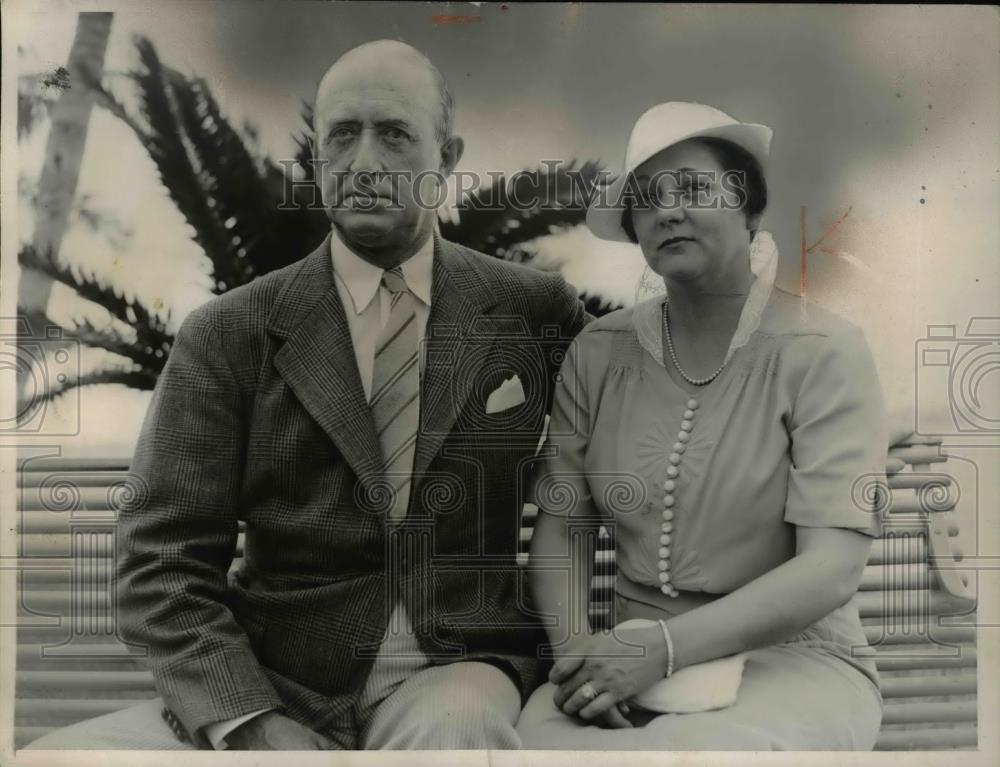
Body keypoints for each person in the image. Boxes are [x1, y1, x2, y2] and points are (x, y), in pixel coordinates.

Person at [27, 40, 588, 751]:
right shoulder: (229, 333)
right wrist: (252, 722)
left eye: (394, 134)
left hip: (460, 667)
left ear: (446, 159)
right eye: (342, 135)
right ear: (317, 159)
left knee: (458, 729)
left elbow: (650, 401)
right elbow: (162, 562)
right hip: (279, 676)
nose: (365, 163)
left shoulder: (532, 308)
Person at [515, 102, 888, 750]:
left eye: (692, 188)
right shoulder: (598, 354)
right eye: (647, 199)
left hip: (792, 665)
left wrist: (660, 650)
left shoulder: (823, 351)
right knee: (531, 744)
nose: (668, 210)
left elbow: (830, 568)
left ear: (748, 207)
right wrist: (581, 658)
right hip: (628, 672)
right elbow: (562, 528)